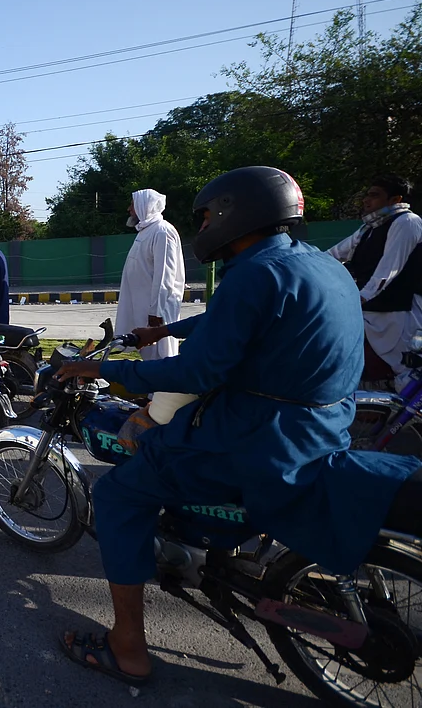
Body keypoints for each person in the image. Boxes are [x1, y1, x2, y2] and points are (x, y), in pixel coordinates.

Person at [53, 166, 421, 686]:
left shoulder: (253, 272)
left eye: (206, 216)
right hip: (322, 428)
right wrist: (159, 331)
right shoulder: (314, 263)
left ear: (234, 212)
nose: (202, 226)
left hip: (258, 438)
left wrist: (106, 368)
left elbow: (198, 370)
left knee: (117, 494)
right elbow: (227, 320)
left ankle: (128, 648)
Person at [327, 175, 422, 390]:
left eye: (374, 195)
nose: (366, 200)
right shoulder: (367, 229)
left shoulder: (407, 222)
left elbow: (390, 269)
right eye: (366, 195)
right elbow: (333, 255)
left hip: (401, 311)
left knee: (407, 373)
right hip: (373, 309)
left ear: (395, 199)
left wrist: (360, 297)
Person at [116, 189, 186, 360]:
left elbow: (165, 275)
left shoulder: (162, 231)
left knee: (162, 354)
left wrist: (156, 312)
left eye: (132, 205)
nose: (129, 209)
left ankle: (164, 386)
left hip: (156, 310)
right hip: (142, 306)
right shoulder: (146, 231)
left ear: (144, 205)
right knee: (147, 352)